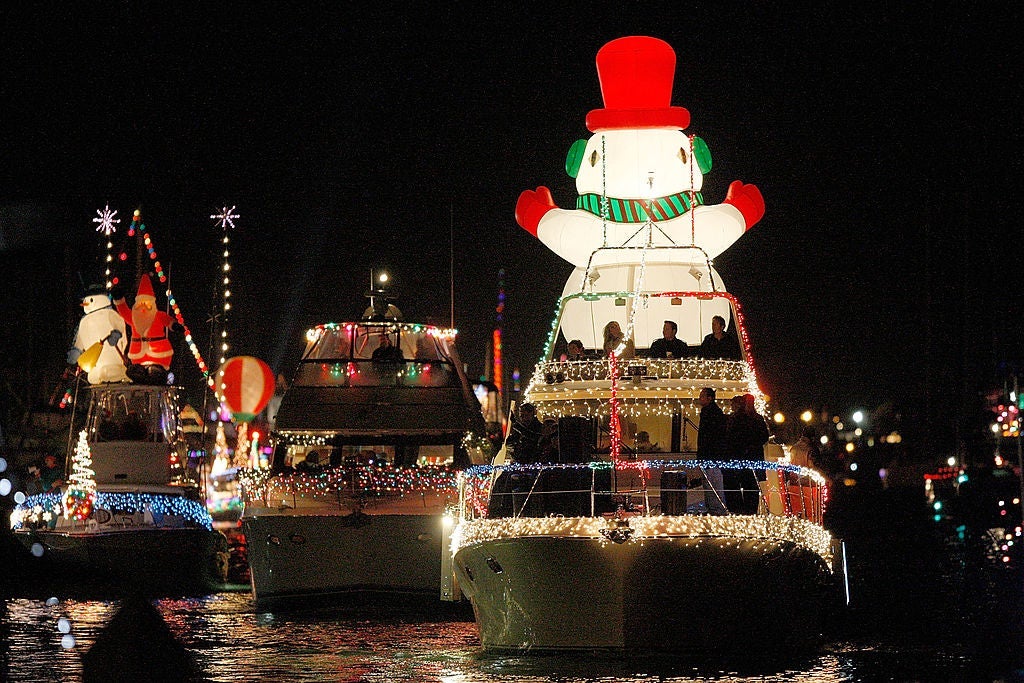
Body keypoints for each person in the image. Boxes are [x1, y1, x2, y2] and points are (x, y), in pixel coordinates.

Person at [723, 394, 766, 514]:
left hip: (741, 457)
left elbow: (731, 438)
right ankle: (749, 511)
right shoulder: (756, 418)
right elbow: (763, 437)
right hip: (752, 458)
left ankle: (741, 510)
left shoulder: (738, 418)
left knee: (741, 485)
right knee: (752, 487)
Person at [696, 387, 729, 514]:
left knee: (712, 483)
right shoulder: (712, 412)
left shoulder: (711, 413)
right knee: (709, 482)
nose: (700, 398)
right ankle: (713, 508)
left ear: (709, 398)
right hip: (710, 454)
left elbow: (709, 436)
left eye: (702, 396)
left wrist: (703, 452)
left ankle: (716, 509)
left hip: (711, 454)